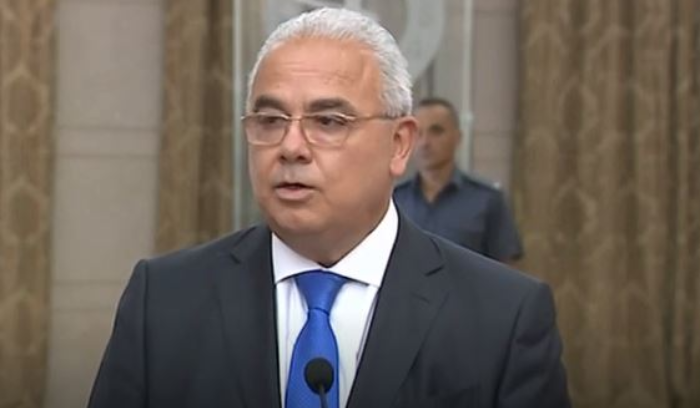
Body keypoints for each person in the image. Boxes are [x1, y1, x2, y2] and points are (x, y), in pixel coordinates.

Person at [87, 7, 570, 408]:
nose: (291, 147)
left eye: (329, 121)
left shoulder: (503, 317)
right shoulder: (164, 301)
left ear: (399, 145)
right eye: (270, 119)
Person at [394, 97, 524, 263]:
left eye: (436, 131)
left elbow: (506, 268)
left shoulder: (487, 199)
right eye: (418, 133)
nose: (425, 142)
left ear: (458, 137)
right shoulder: (395, 199)